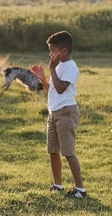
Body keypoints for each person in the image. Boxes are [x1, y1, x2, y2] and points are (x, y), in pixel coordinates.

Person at [30, 31, 87, 198]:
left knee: (68, 152)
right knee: (53, 150)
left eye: (52, 50)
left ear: (63, 51)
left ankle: (80, 190)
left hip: (66, 113)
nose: (50, 54)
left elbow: (62, 89)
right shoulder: (58, 66)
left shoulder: (70, 66)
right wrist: (43, 79)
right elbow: (53, 91)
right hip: (53, 113)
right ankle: (58, 185)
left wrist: (51, 69)